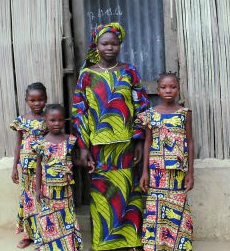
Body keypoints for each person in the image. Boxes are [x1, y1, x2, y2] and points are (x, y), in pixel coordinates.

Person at [72, 22, 149, 250]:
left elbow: (141, 106)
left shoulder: (129, 71)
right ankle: (104, 243)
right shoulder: (87, 75)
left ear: (120, 45)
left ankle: (131, 240)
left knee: (128, 192)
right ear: (96, 44)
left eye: (114, 44)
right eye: (105, 43)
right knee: (103, 194)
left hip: (125, 145)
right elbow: (79, 111)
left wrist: (138, 139)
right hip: (98, 147)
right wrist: (83, 147)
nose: (110, 48)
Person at [137, 72, 194, 251]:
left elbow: (190, 142)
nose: (168, 90)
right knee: (156, 207)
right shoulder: (150, 115)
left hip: (177, 172)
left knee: (177, 207)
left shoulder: (184, 113)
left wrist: (191, 173)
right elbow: (147, 141)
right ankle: (157, 245)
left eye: (172, 87)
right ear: (158, 90)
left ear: (178, 89)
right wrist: (145, 172)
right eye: (164, 87)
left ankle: (177, 245)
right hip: (156, 172)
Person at [33, 104, 83, 251]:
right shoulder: (41, 143)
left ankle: (67, 245)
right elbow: (38, 167)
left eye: (60, 120)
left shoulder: (70, 140)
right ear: (46, 121)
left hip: (65, 190)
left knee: (66, 216)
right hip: (47, 190)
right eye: (52, 120)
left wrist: (85, 163)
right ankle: (48, 245)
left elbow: (72, 162)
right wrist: (37, 189)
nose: (56, 123)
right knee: (48, 217)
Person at [10, 82, 48, 249]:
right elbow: (18, 144)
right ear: (26, 100)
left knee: (42, 200)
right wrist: (14, 168)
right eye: (32, 100)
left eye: (40, 100)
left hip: (44, 168)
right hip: (25, 169)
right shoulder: (21, 120)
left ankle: (42, 236)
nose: (36, 103)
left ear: (46, 100)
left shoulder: (49, 119)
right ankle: (28, 235)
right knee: (27, 201)